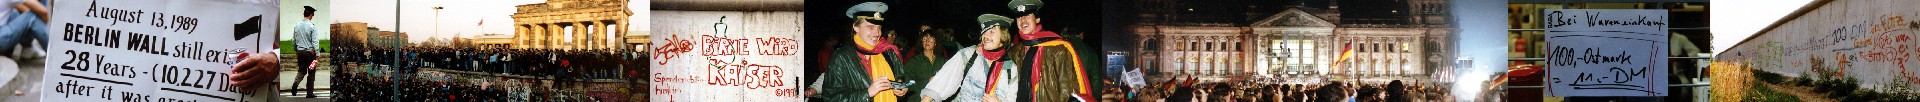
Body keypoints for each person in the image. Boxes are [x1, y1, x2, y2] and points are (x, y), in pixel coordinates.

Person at [1004, 0, 1094, 101]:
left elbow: (1068, 91)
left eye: (1028, 15)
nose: (1023, 20)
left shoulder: (1058, 49)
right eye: (1019, 17)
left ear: (1037, 19)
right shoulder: (1016, 50)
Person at [920, 14, 1021, 102]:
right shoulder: (968, 55)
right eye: (984, 31)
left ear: (1003, 37)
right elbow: (941, 82)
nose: (985, 35)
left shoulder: (1011, 68)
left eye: (991, 32)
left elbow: (1012, 98)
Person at [821, 2, 907, 102]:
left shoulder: (888, 52)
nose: (877, 33)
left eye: (879, 28)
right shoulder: (841, 57)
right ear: (856, 27)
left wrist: (900, 87)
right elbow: (831, 98)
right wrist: (867, 93)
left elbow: (899, 78)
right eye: (871, 27)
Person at [897, 24, 949, 102]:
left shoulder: (943, 61)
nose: (927, 41)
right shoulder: (913, 62)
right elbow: (906, 84)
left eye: (930, 38)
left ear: (935, 42)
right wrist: (927, 81)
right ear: (921, 42)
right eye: (924, 38)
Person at [289, 5, 322, 98]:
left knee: (301, 70)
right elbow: (315, 42)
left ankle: (296, 83)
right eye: (313, 14)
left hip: (300, 52)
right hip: (310, 53)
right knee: (311, 72)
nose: (313, 16)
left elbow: (294, 40)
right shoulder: (312, 26)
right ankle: (309, 93)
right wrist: (317, 54)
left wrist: (296, 49)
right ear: (311, 15)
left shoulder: (297, 25)